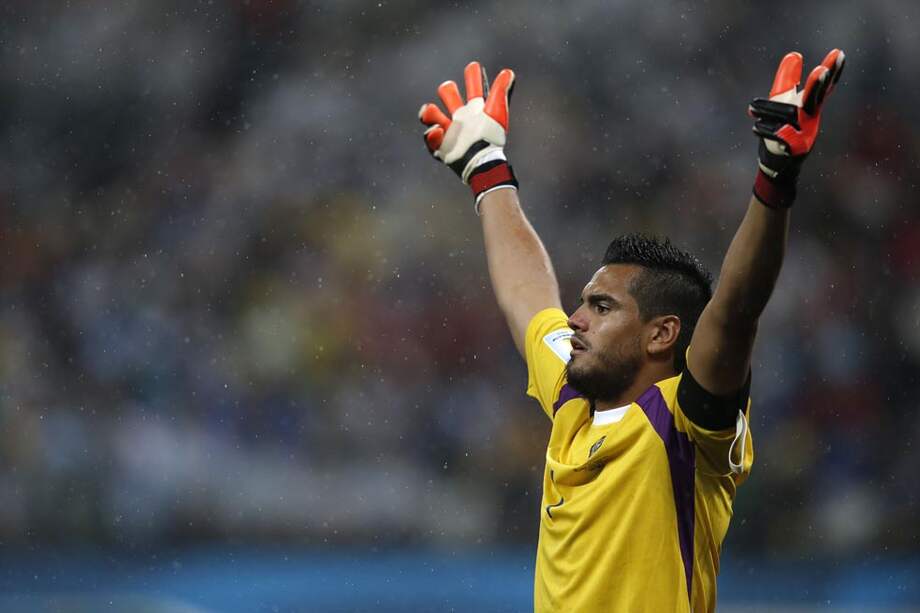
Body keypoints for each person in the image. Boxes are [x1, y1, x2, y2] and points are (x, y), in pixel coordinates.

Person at [418, 50, 845, 612]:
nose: (575, 319)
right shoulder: (573, 396)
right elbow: (528, 299)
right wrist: (485, 166)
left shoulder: (685, 425)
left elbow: (736, 312)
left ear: (662, 334)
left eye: (601, 307)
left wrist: (774, 179)